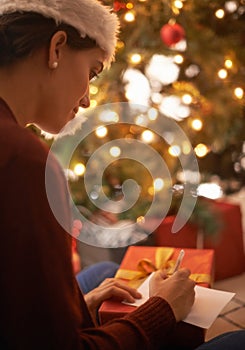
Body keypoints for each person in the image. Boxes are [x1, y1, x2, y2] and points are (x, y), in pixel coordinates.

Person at [0, 0, 244, 349]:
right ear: (56, 48)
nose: (86, 100)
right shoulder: (22, 161)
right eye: (93, 71)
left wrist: (75, 309)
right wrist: (162, 309)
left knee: (102, 276)